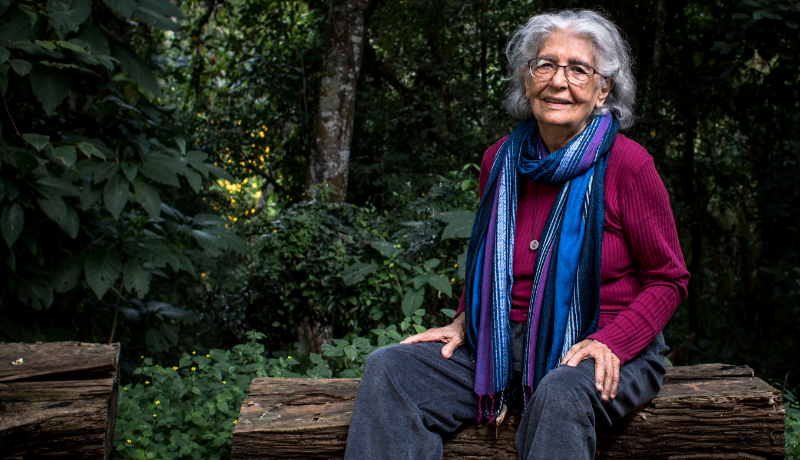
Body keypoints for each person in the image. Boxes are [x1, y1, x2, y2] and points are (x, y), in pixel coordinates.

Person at [344, 9, 689, 460]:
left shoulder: (629, 165)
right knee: (389, 368)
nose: (558, 81)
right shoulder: (500, 161)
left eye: (578, 69)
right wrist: (465, 319)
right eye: (545, 65)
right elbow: (491, 257)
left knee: (560, 390)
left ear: (603, 89)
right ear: (527, 79)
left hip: (609, 344)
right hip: (503, 344)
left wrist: (613, 342)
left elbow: (669, 279)